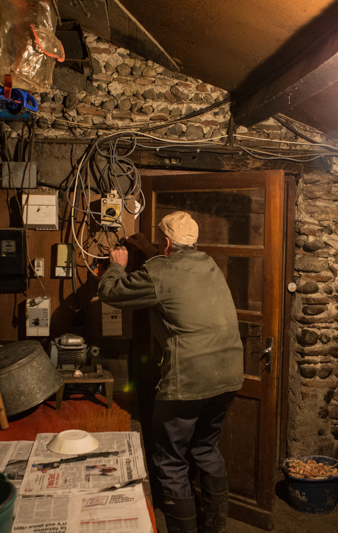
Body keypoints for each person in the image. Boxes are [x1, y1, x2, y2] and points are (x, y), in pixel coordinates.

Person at [98, 211, 244, 533]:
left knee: (171, 461)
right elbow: (176, 269)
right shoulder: (209, 264)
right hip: (229, 374)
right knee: (206, 449)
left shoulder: (158, 271)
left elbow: (111, 292)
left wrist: (117, 265)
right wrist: (151, 250)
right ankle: (216, 527)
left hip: (189, 379)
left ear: (166, 243)